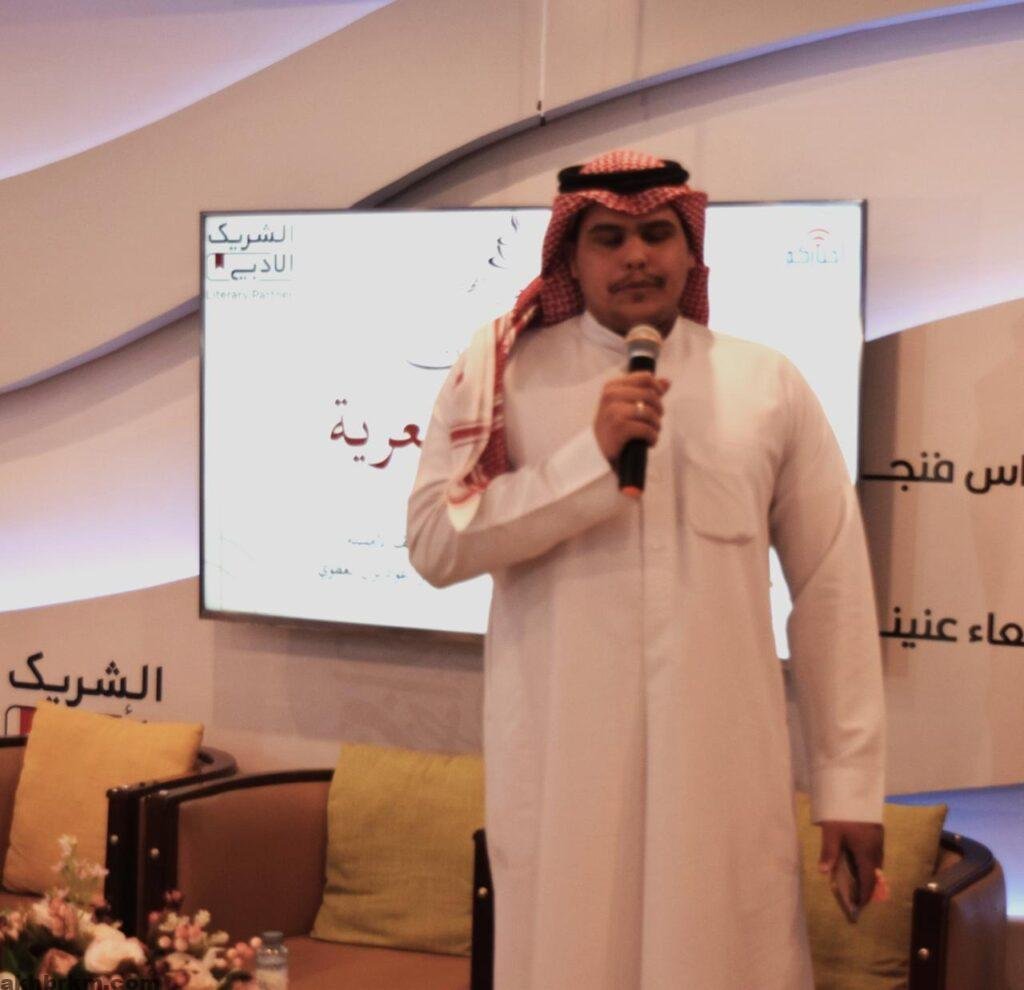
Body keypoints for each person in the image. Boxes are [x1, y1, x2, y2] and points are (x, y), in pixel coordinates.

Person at [407, 149, 885, 989]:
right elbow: (436, 545)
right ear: (571, 256)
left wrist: (848, 785)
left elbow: (831, 588)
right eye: (609, 238)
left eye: (657, 234)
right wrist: (587, 464)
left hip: (720, 772)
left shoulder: (765, 383)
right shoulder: (507, 377)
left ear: (689, 251)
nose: (636, 256)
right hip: (564, 771)